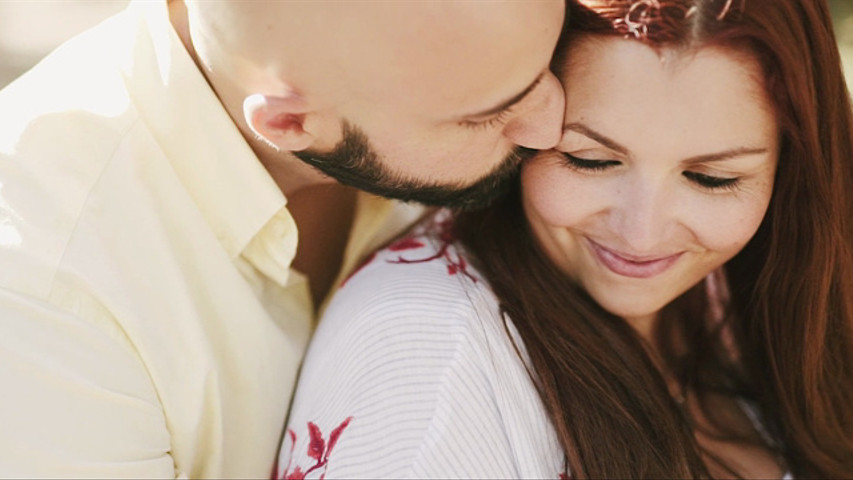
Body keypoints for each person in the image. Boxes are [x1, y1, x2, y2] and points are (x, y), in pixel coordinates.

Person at [279, 0, 853, 478]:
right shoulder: (429, 369)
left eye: (712, 179)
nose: (642, 233)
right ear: (525, 122)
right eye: (590, 160)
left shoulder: (747, 292)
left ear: (791, 171)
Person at [0, 0, 566, 477]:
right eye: (489, 115)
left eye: (552, 60)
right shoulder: (45, 300)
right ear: (289, 126)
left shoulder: (409, 87)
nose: (553, 125)